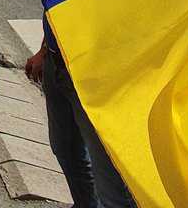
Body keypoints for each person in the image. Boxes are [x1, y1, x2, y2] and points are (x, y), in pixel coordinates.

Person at [26, 28, 138, 208]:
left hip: (94, 77)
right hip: (55, 62)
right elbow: (56, 9)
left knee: (110, 182)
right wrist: (44, 49)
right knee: (65, 149)